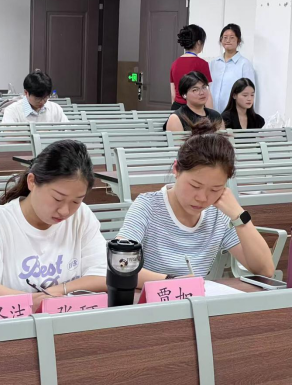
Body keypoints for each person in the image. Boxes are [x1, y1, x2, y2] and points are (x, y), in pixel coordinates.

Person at [117, 118, 275, 288]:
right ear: (176, 169)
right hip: (154, 299)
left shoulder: (218, 214)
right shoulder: (147, 206)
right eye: (195, 186)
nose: (202, 198)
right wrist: (173, 283)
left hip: (196, 302)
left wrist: (239, 215)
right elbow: (120, 263)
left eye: (215, 189)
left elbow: (265, 270)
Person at [0, 140, 107, 311]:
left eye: (76, 201)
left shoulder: (81, 216)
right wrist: (31, 302)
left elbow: (102, 275)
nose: (65, 211)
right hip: (15, 322)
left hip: (69, 319)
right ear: (32, 182)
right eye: (57, 198)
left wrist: (57, 291)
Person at [210, 24, 256, 113]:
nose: (228, 40)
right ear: (221, 40)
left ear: (238, 40)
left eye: (232, 37)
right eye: (225, 37)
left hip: (234, 113)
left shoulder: (244, 64)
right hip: (213, 112)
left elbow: (250, 91)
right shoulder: (213, 63)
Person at [170, 24, 214, 110]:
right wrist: (212, 114)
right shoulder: (202, 64)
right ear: (199, 42)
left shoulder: (174, 64)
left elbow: (173, 94)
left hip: (176, 108)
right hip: (194, 109)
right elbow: (207, 94)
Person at [2, 71, 68, 123]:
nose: (42, 102)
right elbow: (9, 134)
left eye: (45, 97)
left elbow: (68, 131)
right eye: (38, 98)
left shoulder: (55, 109)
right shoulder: (12, 111)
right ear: (26, 93)